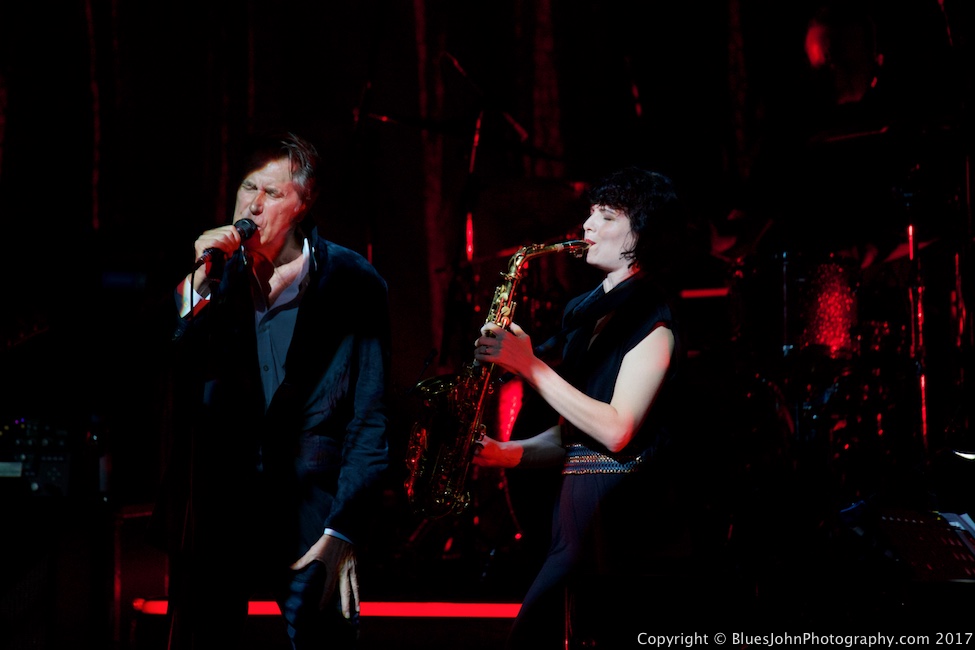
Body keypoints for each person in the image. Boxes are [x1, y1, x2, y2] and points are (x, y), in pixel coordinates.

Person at [149, 131, 391, 650]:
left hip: (311, 511)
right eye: (246, 188)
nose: (253, 206)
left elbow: (370, 416)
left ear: (304, 204)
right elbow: (169, 370)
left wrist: (344, 530)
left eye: (273, 193)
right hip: (219, 508)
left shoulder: (353, 282)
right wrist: (198, 286)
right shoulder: (214, 278)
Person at [471, 166, 693, 648]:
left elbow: (616, 432)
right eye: (590, 213)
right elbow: (575, 435)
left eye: (606, 216)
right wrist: (504, 452)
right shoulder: (586, 313)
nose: (586, 226)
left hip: (621, 519)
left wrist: (530, 368)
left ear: (643, 233)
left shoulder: (654, 322)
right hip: (577, 517)